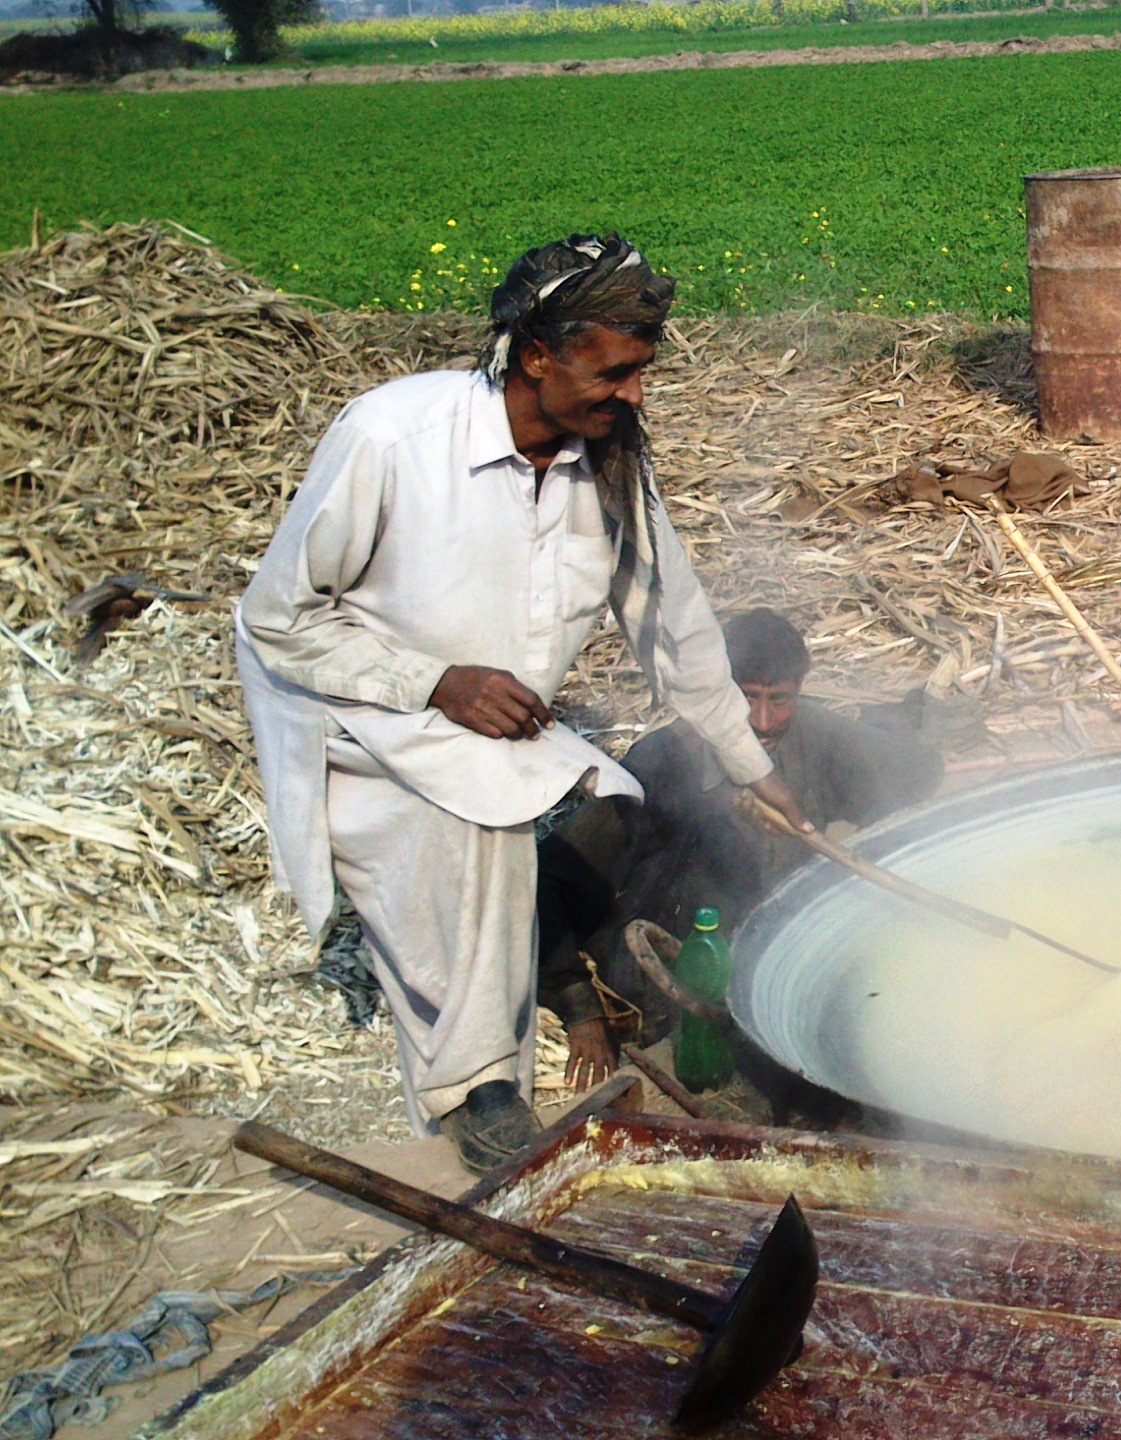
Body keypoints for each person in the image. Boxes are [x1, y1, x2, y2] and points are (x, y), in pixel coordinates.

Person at [236, 235, 810, 1173]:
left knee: (606, 804)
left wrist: (754, 770)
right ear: (536, 355)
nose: (632, 395)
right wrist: (433, 681)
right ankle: (476, 1088)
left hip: (495, 719)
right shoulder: (392, 437)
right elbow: (277, 619)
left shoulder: (609, 463)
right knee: (473, 844)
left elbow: (677, 628)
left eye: (641, 373)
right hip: (362, 706)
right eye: (613, 370)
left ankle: (509, 1025)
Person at [534, 608, 944, 1088]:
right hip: (682, 982)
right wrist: (582, 1010)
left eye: (781, 700)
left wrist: (850, 839)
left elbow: (919, 772)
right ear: (719, 690)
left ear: (800, 689)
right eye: (746, 697)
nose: (764, 721)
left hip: (788, 957)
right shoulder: (662, 762)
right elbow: (550, 880)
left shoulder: (816, 735)